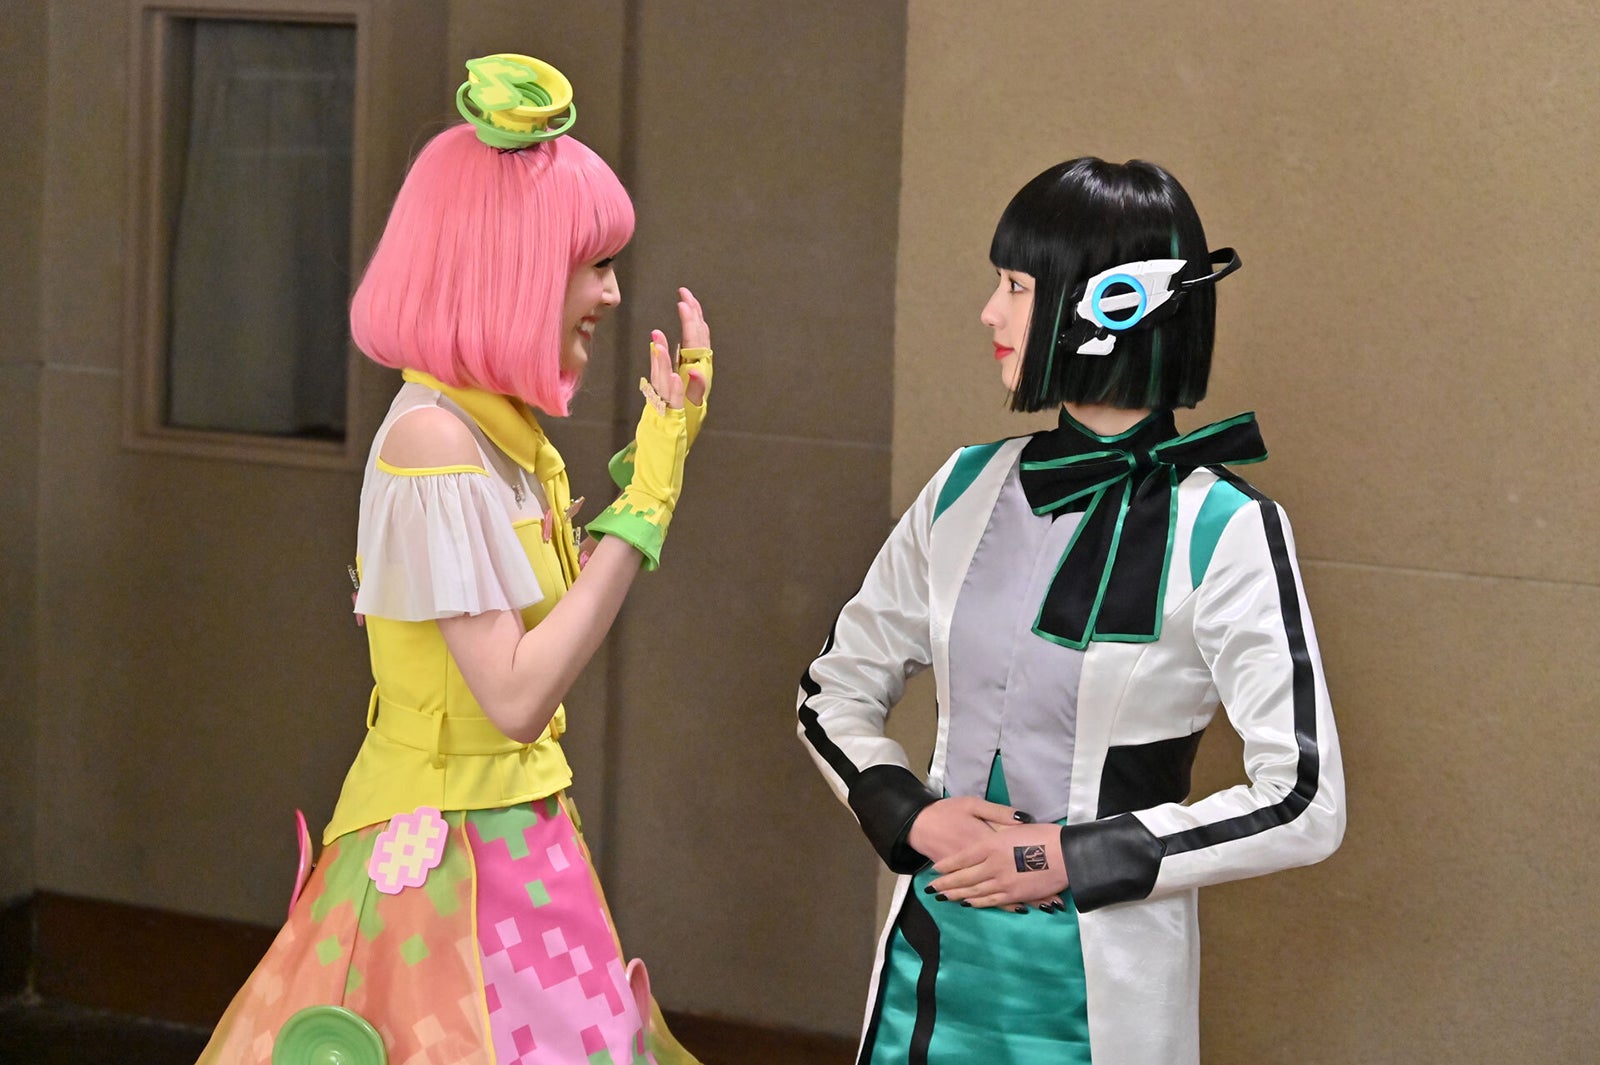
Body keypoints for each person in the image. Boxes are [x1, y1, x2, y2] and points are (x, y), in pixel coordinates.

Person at [198, 54, 708, 1065]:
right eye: (592, 262)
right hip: (447, 869)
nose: (611, 292)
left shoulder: (499, 435)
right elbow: (513, 695)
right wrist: (647, 500)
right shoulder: (433, 440)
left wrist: (654, 468)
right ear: (512, 265)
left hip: (515, 840)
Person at [797, 157, 1345, 1065]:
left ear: (1116, 305)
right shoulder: (962, 486)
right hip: (928, 968)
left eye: (1016, 285)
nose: (990, 311)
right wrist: (910, 812)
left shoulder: (1226, 526)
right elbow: (832, 690)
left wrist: (1067, 855)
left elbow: (1304, 798)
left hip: (1103, 991)